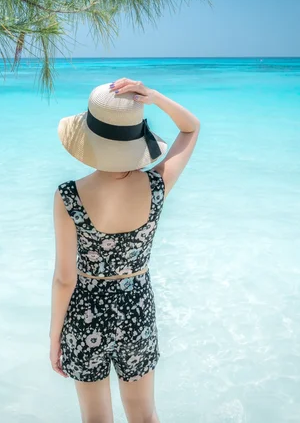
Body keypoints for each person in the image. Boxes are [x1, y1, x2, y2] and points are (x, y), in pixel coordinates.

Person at [50, 78, 200, 423]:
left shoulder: (68, 196)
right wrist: (155, 98)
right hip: (136, 311)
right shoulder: (157, 184)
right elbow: (191, 130)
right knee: (145, 415)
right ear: (137, 137)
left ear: (88, 138)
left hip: (84, 315)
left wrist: (54, 337)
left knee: (96, 419)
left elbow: (63, 279)